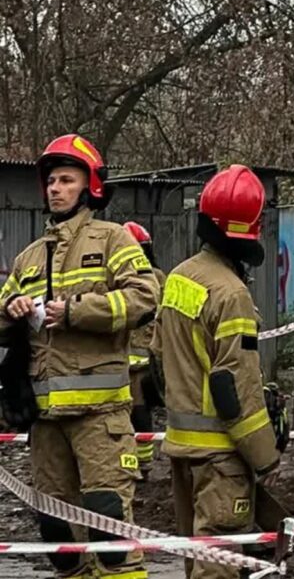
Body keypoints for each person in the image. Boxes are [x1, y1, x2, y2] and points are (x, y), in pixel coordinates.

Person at [0, 134, 159, 579]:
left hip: (99, 419)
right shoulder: (29, 258)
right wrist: (8, 313)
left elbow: (145, 298)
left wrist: (75, 311)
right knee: (60, 542)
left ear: (89, 186)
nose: (54, 188)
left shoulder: (113, 240)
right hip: (47, 425)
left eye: (66, 179)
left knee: (111, 539)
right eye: (50, 180)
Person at [150, 165, 282, 579]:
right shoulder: (231, 292)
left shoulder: (178, 279)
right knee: (218, 567)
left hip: (182, 453)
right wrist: (265, 456)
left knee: (197, 560)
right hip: (221, 459)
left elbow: (157, 361)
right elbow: (233, 387)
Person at [123, 221, 166, 478]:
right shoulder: (118, 277)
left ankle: (143, 465)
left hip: (141, 363)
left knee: (138, 413)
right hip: (120, 361)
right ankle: (133, 464)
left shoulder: (156, 279)